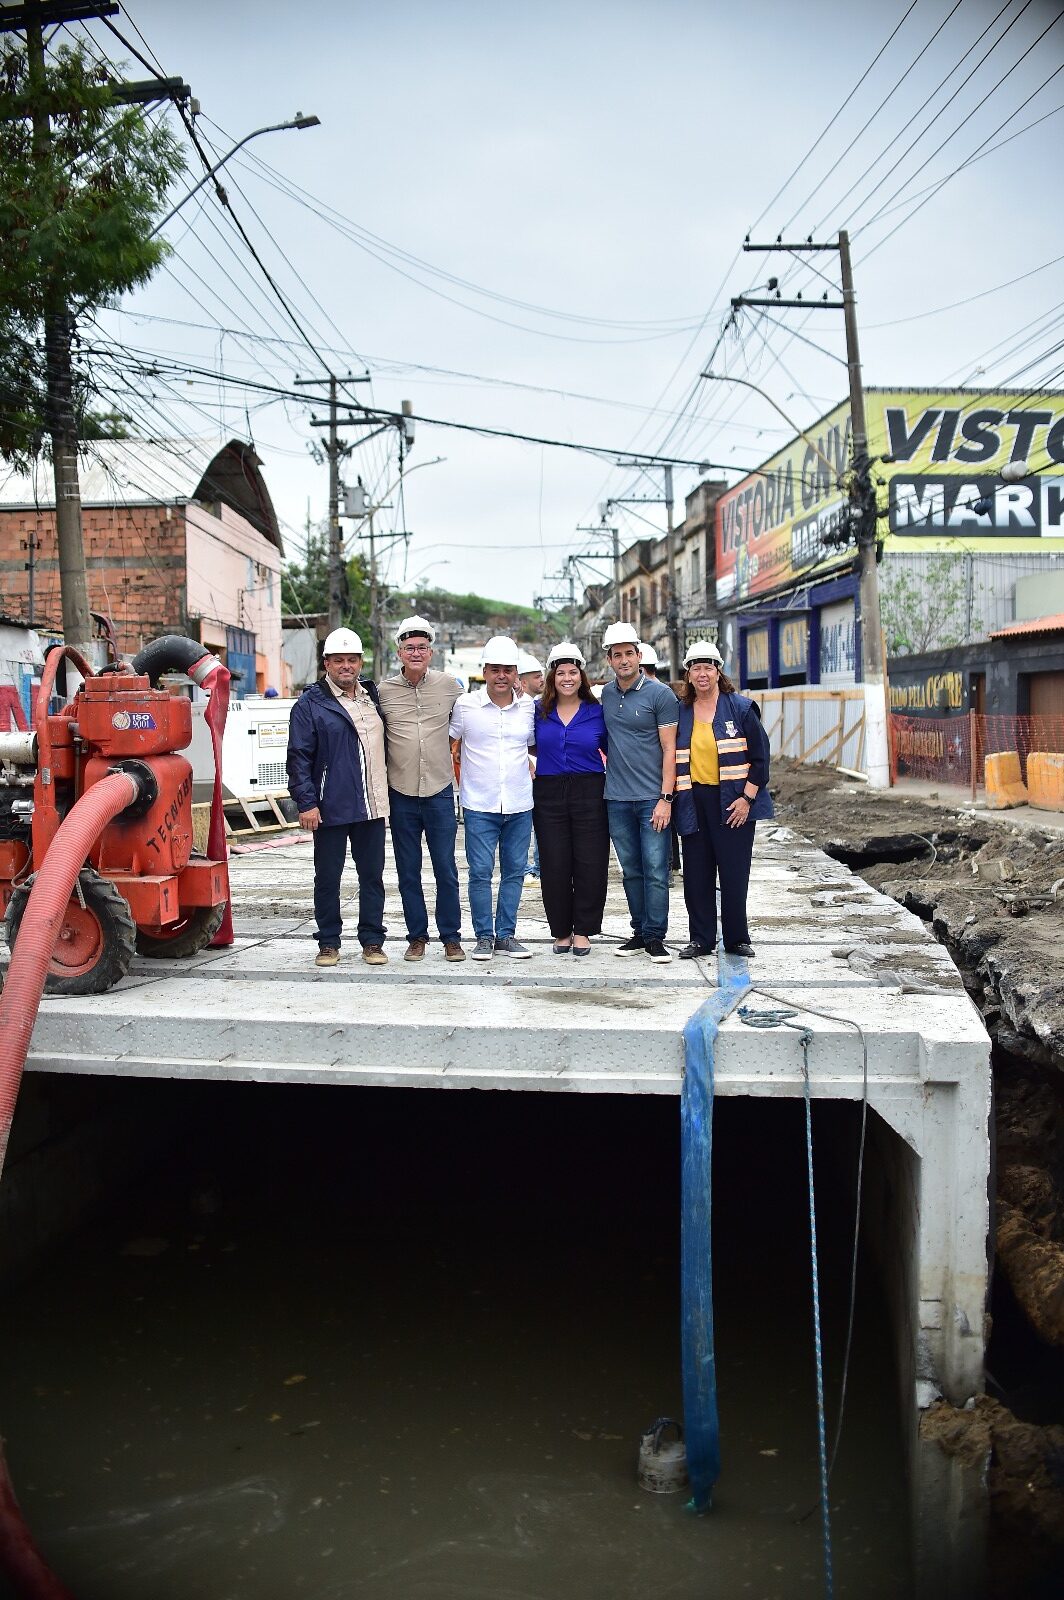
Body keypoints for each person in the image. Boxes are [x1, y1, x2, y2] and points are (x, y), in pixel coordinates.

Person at [286, 627, 390, 968]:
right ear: (326, 664)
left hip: (371, 805)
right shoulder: (310, 703)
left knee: (372, 876)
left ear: (361, 662)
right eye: (338, 660)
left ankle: (372, 941)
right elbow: (298, 756)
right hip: (330, 805)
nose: (346, 666)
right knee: (328, 877)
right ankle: (328, 943)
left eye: (352, 660)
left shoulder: (371, 696)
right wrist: (306, 802)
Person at [673, 640, 773, 959]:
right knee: (697, 874)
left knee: (733, 873)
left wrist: (747, 799)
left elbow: (760, 760)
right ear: (688, 674)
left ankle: (737, 938)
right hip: (694, 800)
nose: (702, 674)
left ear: (719, 672)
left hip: (733, 801)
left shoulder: (741, 708)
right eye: (696, 668)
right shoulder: (682, 713)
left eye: (708, 667)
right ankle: (700, 939)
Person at [377, 614, 466, 963]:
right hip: (400, 792)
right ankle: (417, 937)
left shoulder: (449, 686)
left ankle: (451, 937)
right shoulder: (382, 692)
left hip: (440, 791)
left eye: (422, 647)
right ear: (399, 652)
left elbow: (479, 709)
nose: (416, 652)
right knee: (407, 869)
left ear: (432, 652)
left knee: (446, 867)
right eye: (409, 647)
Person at [449, 636, 537, 962]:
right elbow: (447, 742)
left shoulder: (528, 707)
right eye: (495, 669)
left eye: (508, 670)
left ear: (517, 674)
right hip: (479, 805)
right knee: (481, 872)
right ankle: (484, 936)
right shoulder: (466, 706)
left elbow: (534, 745)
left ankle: (506, 936)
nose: (502, 675)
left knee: (514, 872)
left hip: (519, 804)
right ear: (484, 671)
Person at [599, 620, 679, 963]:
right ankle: (638, 931)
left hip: (651, 799)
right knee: (630, 870)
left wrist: (665, 799)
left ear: (639, 654)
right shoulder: (605, 693)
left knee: (656, 869)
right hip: (616, 798)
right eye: (616, 655)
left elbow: (670, 750)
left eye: (628, 654)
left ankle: (655, 936)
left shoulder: (660, 695)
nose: (623, 660)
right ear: (609, 660)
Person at [533, 642, 609, 956]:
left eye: (573, 672)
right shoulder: (538, 710)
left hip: (590, 790)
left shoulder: (597, 712)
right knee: (554, 862)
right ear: (552, 677)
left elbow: (614, 749)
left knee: (590, 861)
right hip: (549, 792)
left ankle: (584, 931)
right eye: (561, 672)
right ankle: (561, 931)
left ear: (581, 676)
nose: (567, 678)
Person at [517, 651, 545, 883]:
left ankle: (537, 863)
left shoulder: (538, 706)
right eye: (537, 677)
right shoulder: (522, 708)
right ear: (523, 681)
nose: (542, 680)